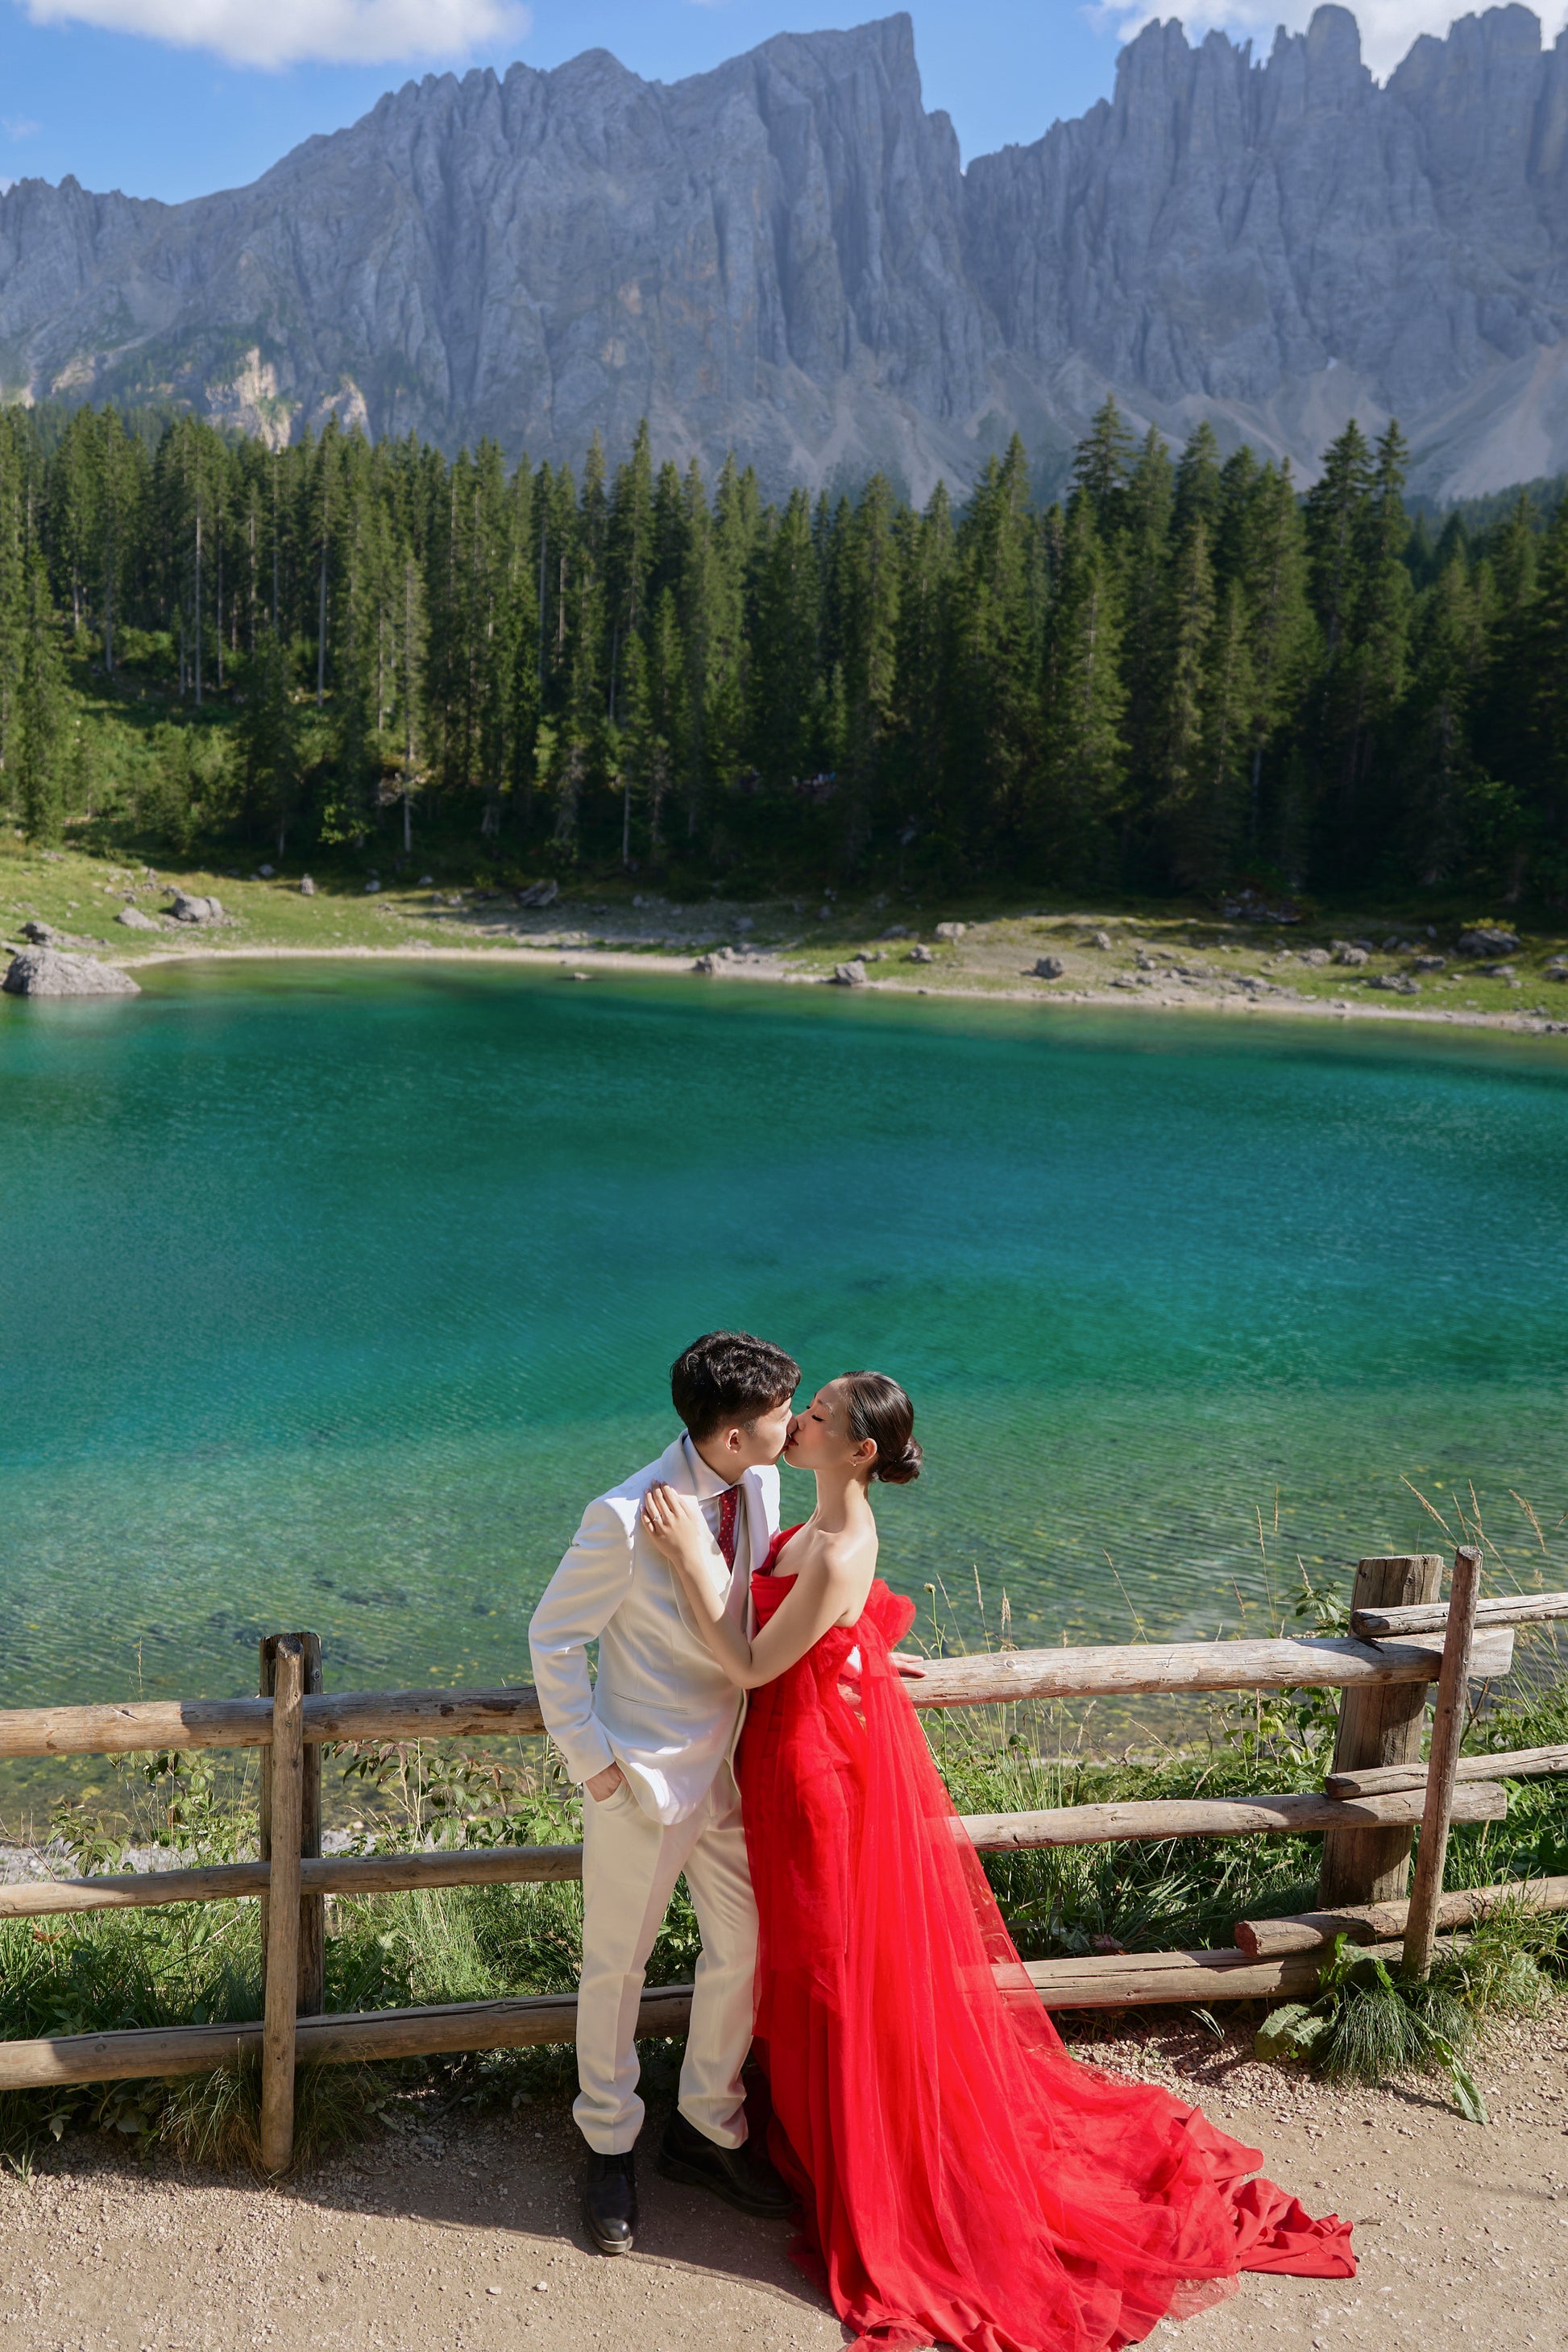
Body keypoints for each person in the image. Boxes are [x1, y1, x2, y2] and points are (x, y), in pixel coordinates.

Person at [640, 1371, 1355, 2352]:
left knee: (837, 1969)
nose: (797, 1422)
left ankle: (879, 2166)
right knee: (814, 1963)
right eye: (805, 1410)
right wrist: (858, 1651)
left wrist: (691, 1563)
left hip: (812, 1777)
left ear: (859, 1452)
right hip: (787, 1757)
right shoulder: (817, 1528)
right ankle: (831, 2139)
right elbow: (817, 1629)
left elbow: (754, 1663)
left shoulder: (844, 1544)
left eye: (818, 1417)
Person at [527, 1330, 801, 2255]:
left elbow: (756, 1607)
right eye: (781, 1414)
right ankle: (607, 2142)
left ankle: (705, 2125)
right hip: (641, 1781)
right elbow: (552, 1638)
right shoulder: (618, 1517)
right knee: (617, 1966)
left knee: (745, 1946)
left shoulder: (761, 1483)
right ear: (733, 1435)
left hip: (730, 1768)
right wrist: (593, 1766)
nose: (793, 1425)